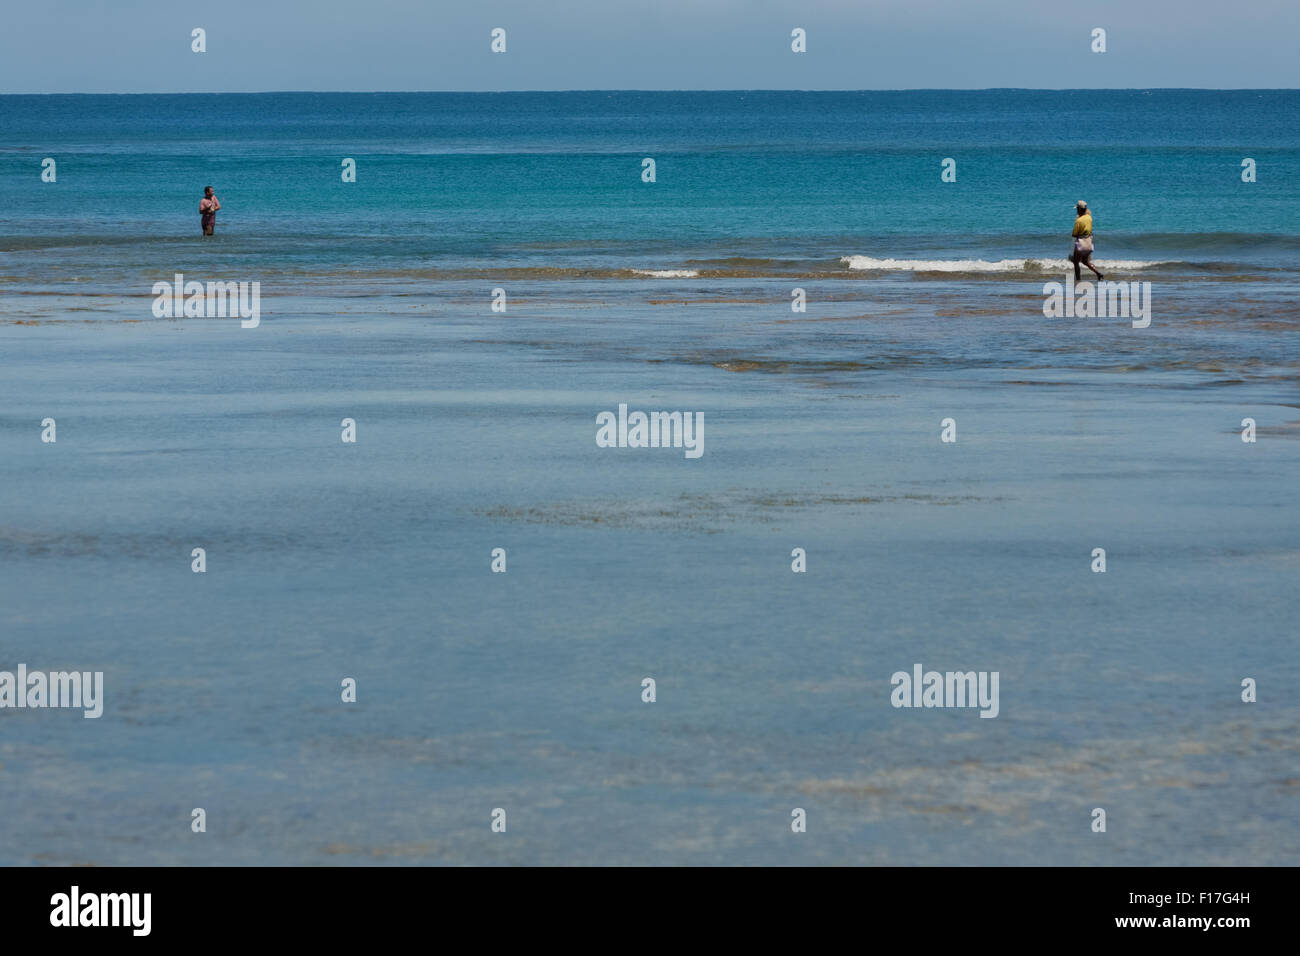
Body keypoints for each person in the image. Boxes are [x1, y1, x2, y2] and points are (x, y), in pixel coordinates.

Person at [1070, 200, 1103, 282]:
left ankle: (1078, 280)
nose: (1076, 210)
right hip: (1089, 242)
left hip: (1081, 244)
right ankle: (1098, 273)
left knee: (1075, 261)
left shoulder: (1078, 221)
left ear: (1079, 209)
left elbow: (1074, 234)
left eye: (1077, 208)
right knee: (1085, 261)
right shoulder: (1089, 218)